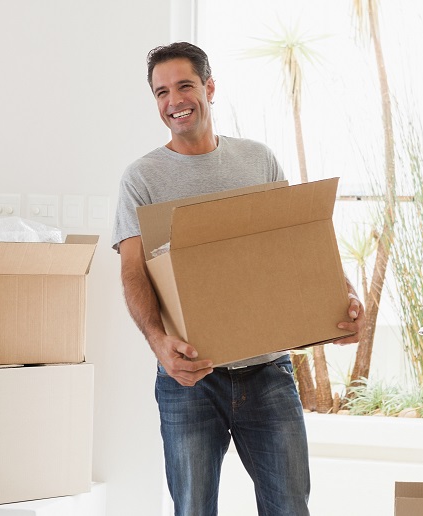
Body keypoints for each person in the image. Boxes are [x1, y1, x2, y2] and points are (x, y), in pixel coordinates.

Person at [111, 41, 366, 516]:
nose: (174, 101)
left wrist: (341, 297)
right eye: (161, 92)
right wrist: (157, 342)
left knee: (289, 507)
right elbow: (132, 270)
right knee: (193, 509)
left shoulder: (257, 160)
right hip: (190, 378)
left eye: (184, 85)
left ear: (209, 87)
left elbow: (294, 242)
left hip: (269, 372)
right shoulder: (141, 178)